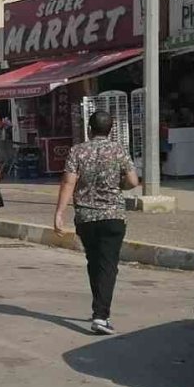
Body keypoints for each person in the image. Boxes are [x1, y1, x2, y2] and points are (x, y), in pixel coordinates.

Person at [53, 111, 140, 335]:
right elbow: (133, 180)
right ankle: (101, 316)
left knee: (94, 262)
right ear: (110, 129)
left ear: (89, 129)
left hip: (86, 218)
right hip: (113, 217)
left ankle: (98, 309)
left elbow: (68, 182)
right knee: (108, 265)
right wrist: (117, 186)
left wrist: (59, 213)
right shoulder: (118, 150)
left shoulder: (77, 150)